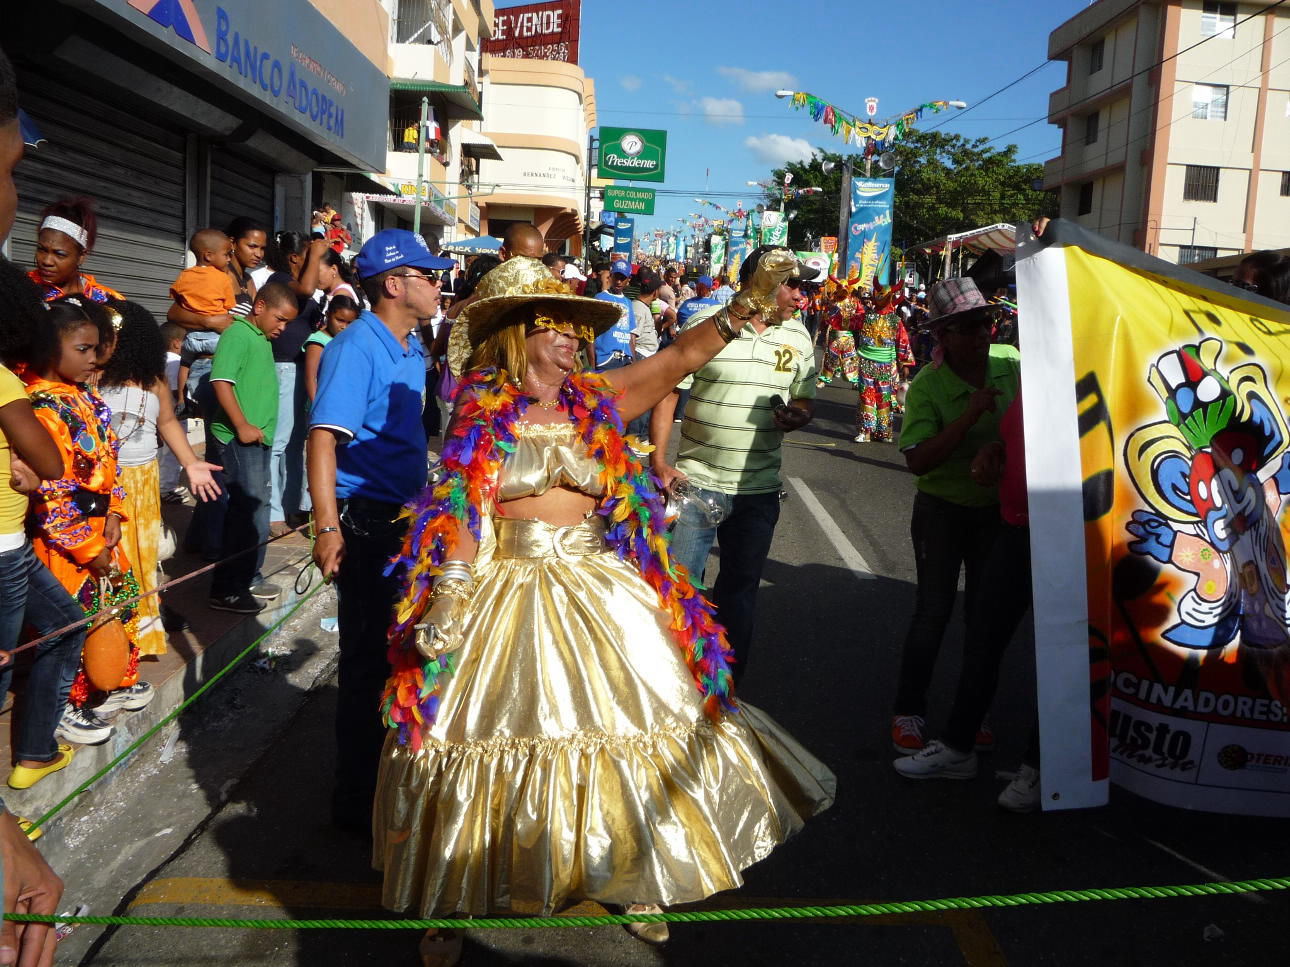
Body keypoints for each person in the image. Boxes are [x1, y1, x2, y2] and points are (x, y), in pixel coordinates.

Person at [372, 254, 833, 961]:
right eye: (554, 327)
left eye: (576, 329)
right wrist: (451, 591)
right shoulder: (480, 408)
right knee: (457, 733)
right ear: (514, 336)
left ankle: (641, 871)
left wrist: (747, 305)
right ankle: (450, 893)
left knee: (643, 718)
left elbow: (680, 355)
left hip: (598, 580)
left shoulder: (601, 397)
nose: (572, 341)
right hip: (503, 580)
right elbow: (461, 503)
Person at [307, 229, 452, 837]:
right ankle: (354, 801)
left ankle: (394, 782)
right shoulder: (356, 348)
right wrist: (326, 526)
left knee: (408, 653)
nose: (439, 283)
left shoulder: (411, 345)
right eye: (428, 274)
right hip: (365, 521)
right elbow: (322, 439)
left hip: (406, 519)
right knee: (366, 660)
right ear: (395, 284)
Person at [649, 246, 819, 685]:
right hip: (695, 484)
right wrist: (659, 460)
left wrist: (800, 414)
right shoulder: (707, 327)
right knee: (681, 592)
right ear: (760, 282)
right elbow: (668, 391)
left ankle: (724, 694)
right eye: (792, 283)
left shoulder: (799, 336)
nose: (801, 294)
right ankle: (674, 691)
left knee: (739, 596)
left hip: (758, 493)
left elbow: (804, 397)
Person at [888, 277, 1021, 754]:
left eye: (986, 322)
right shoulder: (929, 385)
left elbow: (1033, 424)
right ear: (943, 336)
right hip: (941, 512)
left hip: (996, 514)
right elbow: (918, 460)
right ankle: (909, 709)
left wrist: (997, 448)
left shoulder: (1012, 364)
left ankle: (971, 714)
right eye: (967, 326)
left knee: (984, 618)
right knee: (933, 613)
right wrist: (969, 416)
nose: (982, 333)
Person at [894, 388, 1041, 811]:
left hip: (1066, 531)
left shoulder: (1090, 367)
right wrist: (999, 447)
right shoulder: (1033, 371)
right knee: (982, 638)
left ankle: (1042, 768)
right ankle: (958, 747)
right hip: (1015, 526)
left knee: (1060, 654)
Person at [25, 299, 153, 745]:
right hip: (68, 543)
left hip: (103, 531)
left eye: (96, 349)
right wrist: (88, 547)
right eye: (83, 349)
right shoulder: (41, 408)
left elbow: (107, 463)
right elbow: (52, 494)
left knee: (117, 604)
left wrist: (115, 512)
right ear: (48, 347)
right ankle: (67, 705)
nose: (94, 359)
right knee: (72, 619)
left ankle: (113, 678)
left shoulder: (84, 398)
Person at [0, 260, 87, 792]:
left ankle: (35, 750)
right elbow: (52, 463)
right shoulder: (6, 383)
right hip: (4, 548)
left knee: (62, 626)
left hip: (11, 548)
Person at [98, 302, 221, 652]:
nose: (102, 346)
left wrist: (191, 462)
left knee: (145, 554)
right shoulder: (89, 380)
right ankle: (111, 636)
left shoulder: (153, 381)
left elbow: (167, 422)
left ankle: (143, 628)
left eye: (110, 338)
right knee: (113, 558)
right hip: (107, 485)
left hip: (144, 481)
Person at [207, 284, 296, 614]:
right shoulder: (238, 335)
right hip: (238, 439)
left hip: (259, 439)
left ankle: (249, 575)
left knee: (258, 510)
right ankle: (226, 589)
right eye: (280, 319)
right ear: (259, 307)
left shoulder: (259, 338)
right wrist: (241, 425)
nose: (282, 328)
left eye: (287, 323)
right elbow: (221, 381)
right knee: (246, 512)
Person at [262, 230, 328, 539]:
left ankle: (291, 505)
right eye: (307, 256)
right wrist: (315, 253)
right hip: (284, 369)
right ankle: (273, 510)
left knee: (295, 442)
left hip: (299, 369)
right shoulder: (279, 282)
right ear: (294, 259)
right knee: (279, 441)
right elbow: (304, 288)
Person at [29, 198, 122, 303]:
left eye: (59, 254)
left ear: (81, 256)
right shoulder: (22, 289)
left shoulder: (106, 301)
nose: (47, 261)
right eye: (42, 249)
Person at [854, 285, 914, 443]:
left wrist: (905, 363)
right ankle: (866, 431)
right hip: (866, 361)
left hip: (886, 364)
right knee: (866, 396)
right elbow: (846, 322)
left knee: (884, 397)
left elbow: (903, 341)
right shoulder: (865, 317)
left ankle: (884, 432)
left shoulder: (895, 320)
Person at [303, 294, 359, 405]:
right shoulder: (318, 341)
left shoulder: (348, 340)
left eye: (350, 323)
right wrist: (317, 407)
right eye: (340, 320)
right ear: (328, 315)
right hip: (322, 408)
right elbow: (310, 378)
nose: (344, 327)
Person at [591, 259, 633, 370]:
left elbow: (631, 336)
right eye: (616, 277)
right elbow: (590, 333)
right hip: (606, 360)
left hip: (625, 360)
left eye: (622, 278)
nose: (618, 282)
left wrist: (633, 362)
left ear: (628, 280)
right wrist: (592, 366)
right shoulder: (600, 298)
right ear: (611, 276)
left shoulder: (628, 303)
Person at [224, 216, 267, 316]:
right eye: (252, 246)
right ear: (232, 243)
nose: (259, 254)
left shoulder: (249, 280)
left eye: (262, 248)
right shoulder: (221, 274)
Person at [818, 285, 860, 386]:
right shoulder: (833, 303)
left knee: (850, 358)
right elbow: (826, 316)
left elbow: (860, 316)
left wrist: (852, 322)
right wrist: (823, 324)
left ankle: (854, 381)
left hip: (847, 336)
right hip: (834, 335)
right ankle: (825, 379)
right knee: (830, 357)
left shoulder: (853, 303)